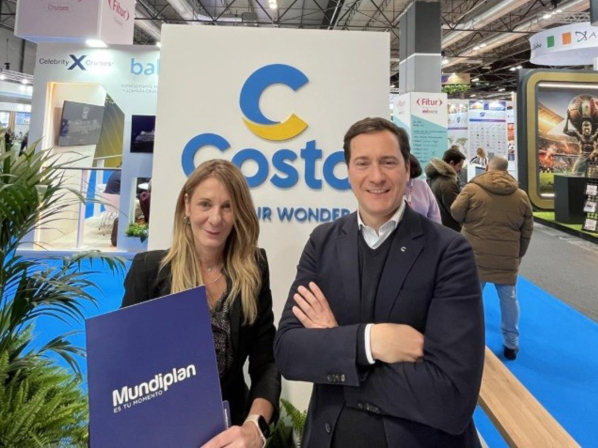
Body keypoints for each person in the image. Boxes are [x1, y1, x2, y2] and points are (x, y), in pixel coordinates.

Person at [275, 117, 485, 447]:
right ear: (348, 172)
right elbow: (289, 353)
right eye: (363, 163)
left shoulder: (449, 251)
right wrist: (371, 342)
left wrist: (334, 347)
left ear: (407, 169)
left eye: (388, 162)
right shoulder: (323, 242)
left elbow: (450, 396)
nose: (376, 176)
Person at [122, 159, 280, 447]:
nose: (215, 218)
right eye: (205, 204)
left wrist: (254, 427)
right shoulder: (149, 271)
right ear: (187, 205)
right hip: (159, 435)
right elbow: (123, 369)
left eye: (227, 206)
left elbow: (266, 363)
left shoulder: (254, 269)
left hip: (230, 435)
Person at [451, 156, 533, 361]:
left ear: (487, 168)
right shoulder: (521, 196)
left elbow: (455, 212)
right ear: (507, 171)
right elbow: (527, 230)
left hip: (474, 253)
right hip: (507, 255)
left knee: (471, 298)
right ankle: (511, 344)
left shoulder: (472, 189)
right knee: (509, 300)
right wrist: (519, 253)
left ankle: (466, 340)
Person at [425, 147, 465, 232]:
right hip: (450, 229)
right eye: (459, 166)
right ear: (451, 163)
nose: (461, 169)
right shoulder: (448, 182)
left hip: (437, 226)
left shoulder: (432, 176)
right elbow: (455, 211)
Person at [405, 153, 441, 223]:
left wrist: (436, 229)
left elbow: (434, 215)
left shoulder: (422, 185)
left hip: (425, 228)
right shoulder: (390, 187)